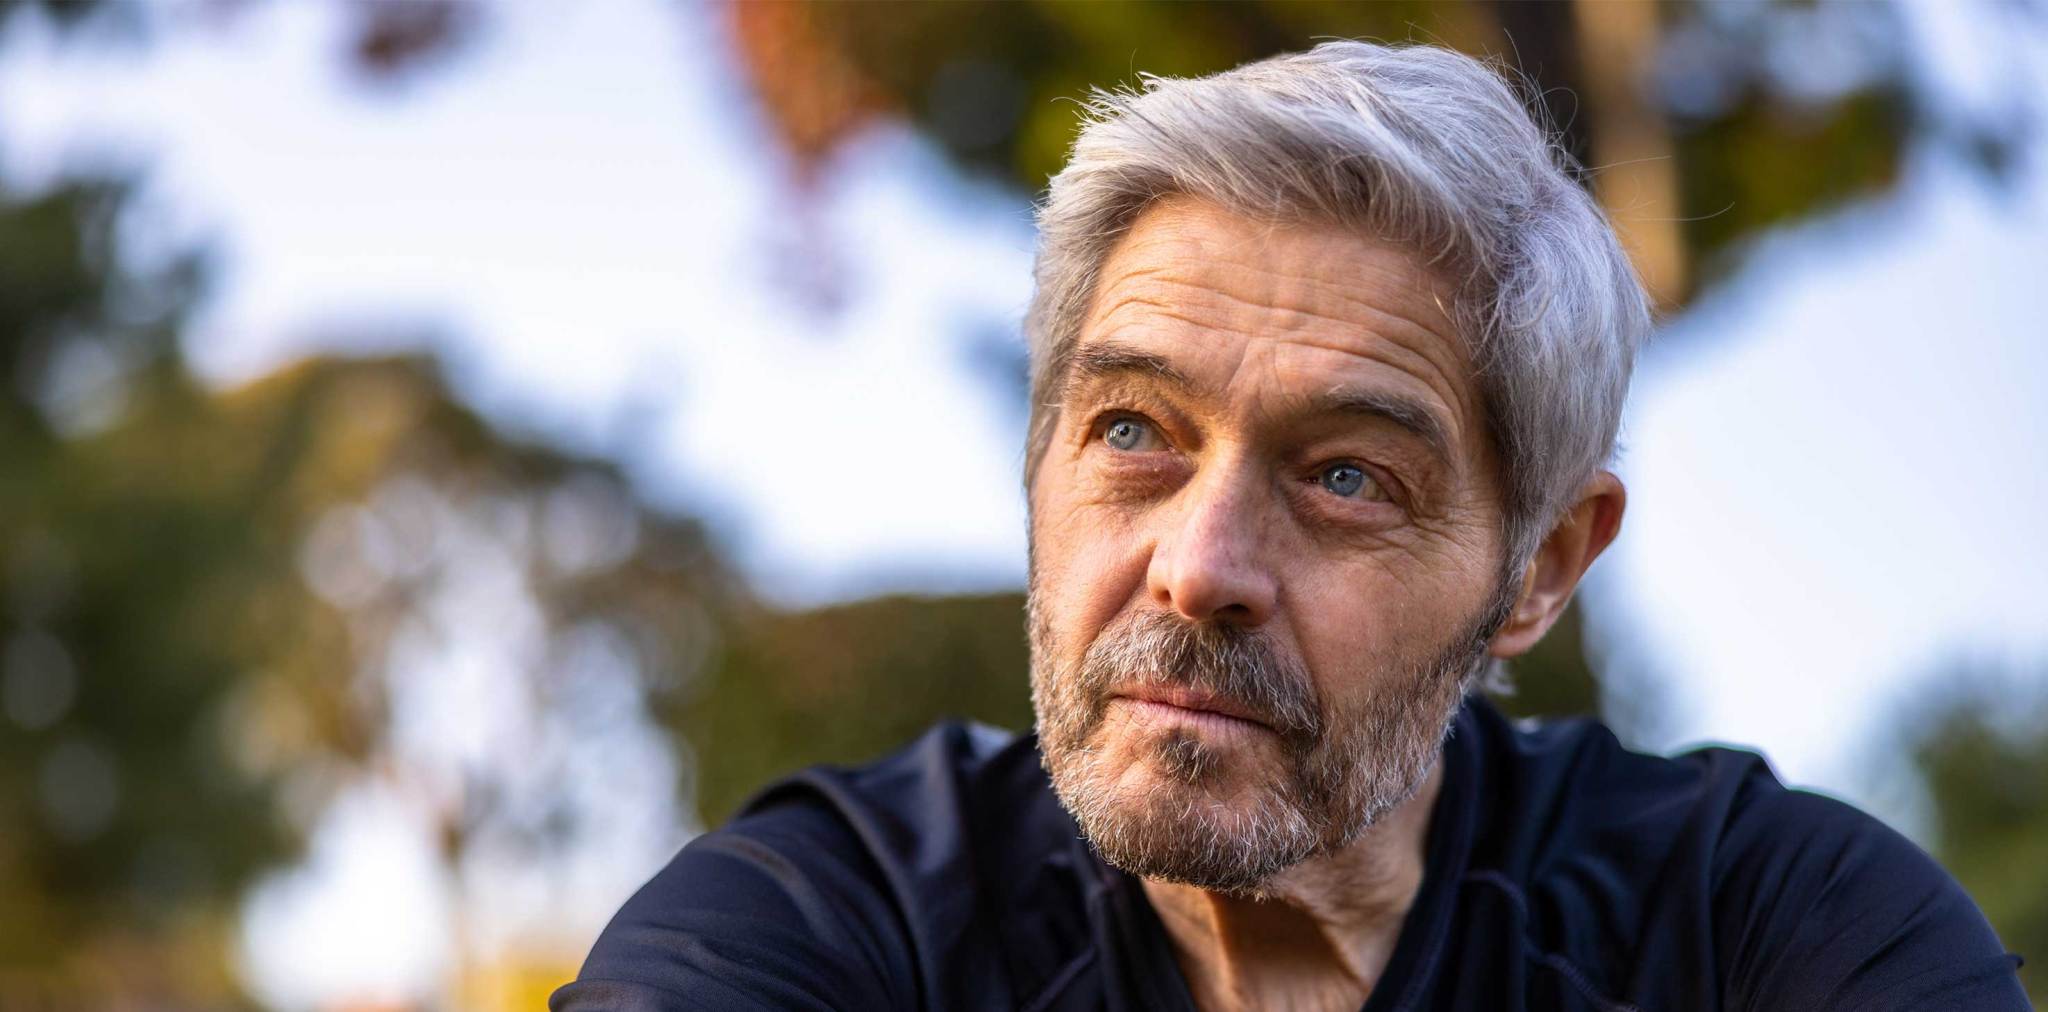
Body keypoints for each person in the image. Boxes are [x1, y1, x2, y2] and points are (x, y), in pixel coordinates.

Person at [550, 41, 2027, 1011]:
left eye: (1346, 478)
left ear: (1540, 570)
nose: (1199, 568)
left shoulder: (1774, 937)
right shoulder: (827, 925)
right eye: (1132, 433)